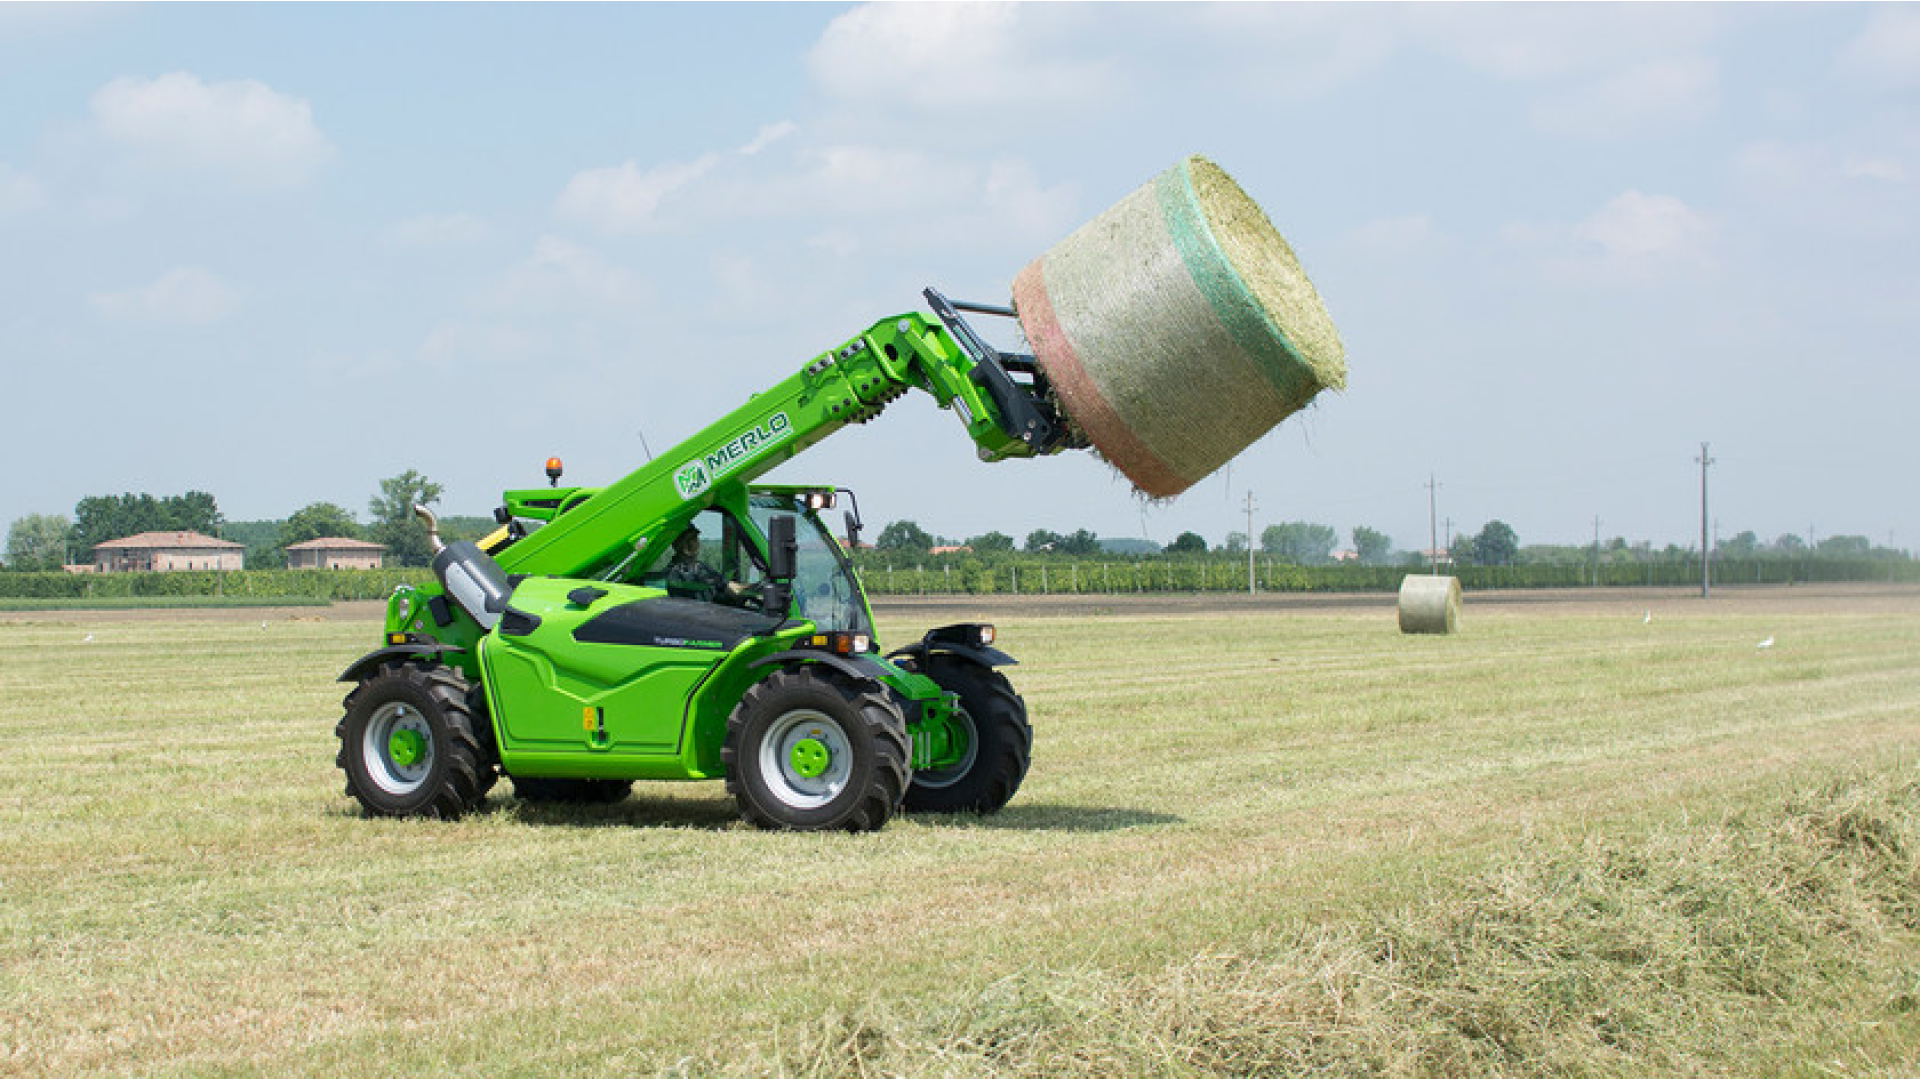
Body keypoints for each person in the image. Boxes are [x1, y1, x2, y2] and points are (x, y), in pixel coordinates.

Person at [665, 526, 749, 605]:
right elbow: (735, 590)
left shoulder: (669, 570)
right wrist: (754, 590)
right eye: (694, 539)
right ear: (685, 547)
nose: (698, 542)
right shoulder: (698, 569)